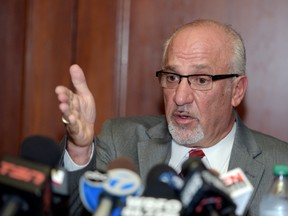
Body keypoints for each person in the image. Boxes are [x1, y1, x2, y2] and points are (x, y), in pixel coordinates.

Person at [55, 19, 288, 216]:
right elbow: (74, 211)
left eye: (201, 80)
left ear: (237, 90)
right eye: (172, 78)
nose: (180, 97)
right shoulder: (120, 141)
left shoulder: (280, 163)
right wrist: (80, 149)